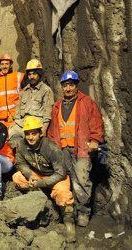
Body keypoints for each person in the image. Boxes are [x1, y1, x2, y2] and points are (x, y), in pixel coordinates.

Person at [48, 71, 105, 227]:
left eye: (71, 85)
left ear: (76, 86)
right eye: (65, 86)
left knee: (82, 180)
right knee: (66, 180)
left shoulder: (86, 102)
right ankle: (68, 211)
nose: (68, 89)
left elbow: (96, 122)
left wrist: (95, 140)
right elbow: (53, 130)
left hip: (81, 149)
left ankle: (83, 212)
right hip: (63, 149)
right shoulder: (57, 105)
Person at [12, 116, 76, 242]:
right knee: (17, 178)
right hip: (37, 174)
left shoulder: (51, 148)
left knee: (64, 196)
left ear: (40, 133)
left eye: (34, 134)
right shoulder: (21, 145)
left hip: (56, 177)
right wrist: (30, 176)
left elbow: (60, 173)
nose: (30, 137)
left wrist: (39, 183)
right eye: (27, 134)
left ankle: (69, 222)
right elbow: (20, 163)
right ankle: (41, 199)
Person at [8, 59, 54, 147]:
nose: (32, 76)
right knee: (8, 135)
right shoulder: (24, 91)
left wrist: (44, 129)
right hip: (23, 123)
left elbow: (48, 113)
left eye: (34, 74)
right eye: (29, 74)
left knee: (32, 141)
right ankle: (19, 155)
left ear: (39, 74)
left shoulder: (46, 90)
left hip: (36, 125)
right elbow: (18, 111)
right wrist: (15, 122)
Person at [0, 53, 24, 127]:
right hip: (0, 118)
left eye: (7, 64)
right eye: (2, 64)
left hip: (16, 116)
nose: (4, 66)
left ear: (11, 64)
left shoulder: (19, 76)